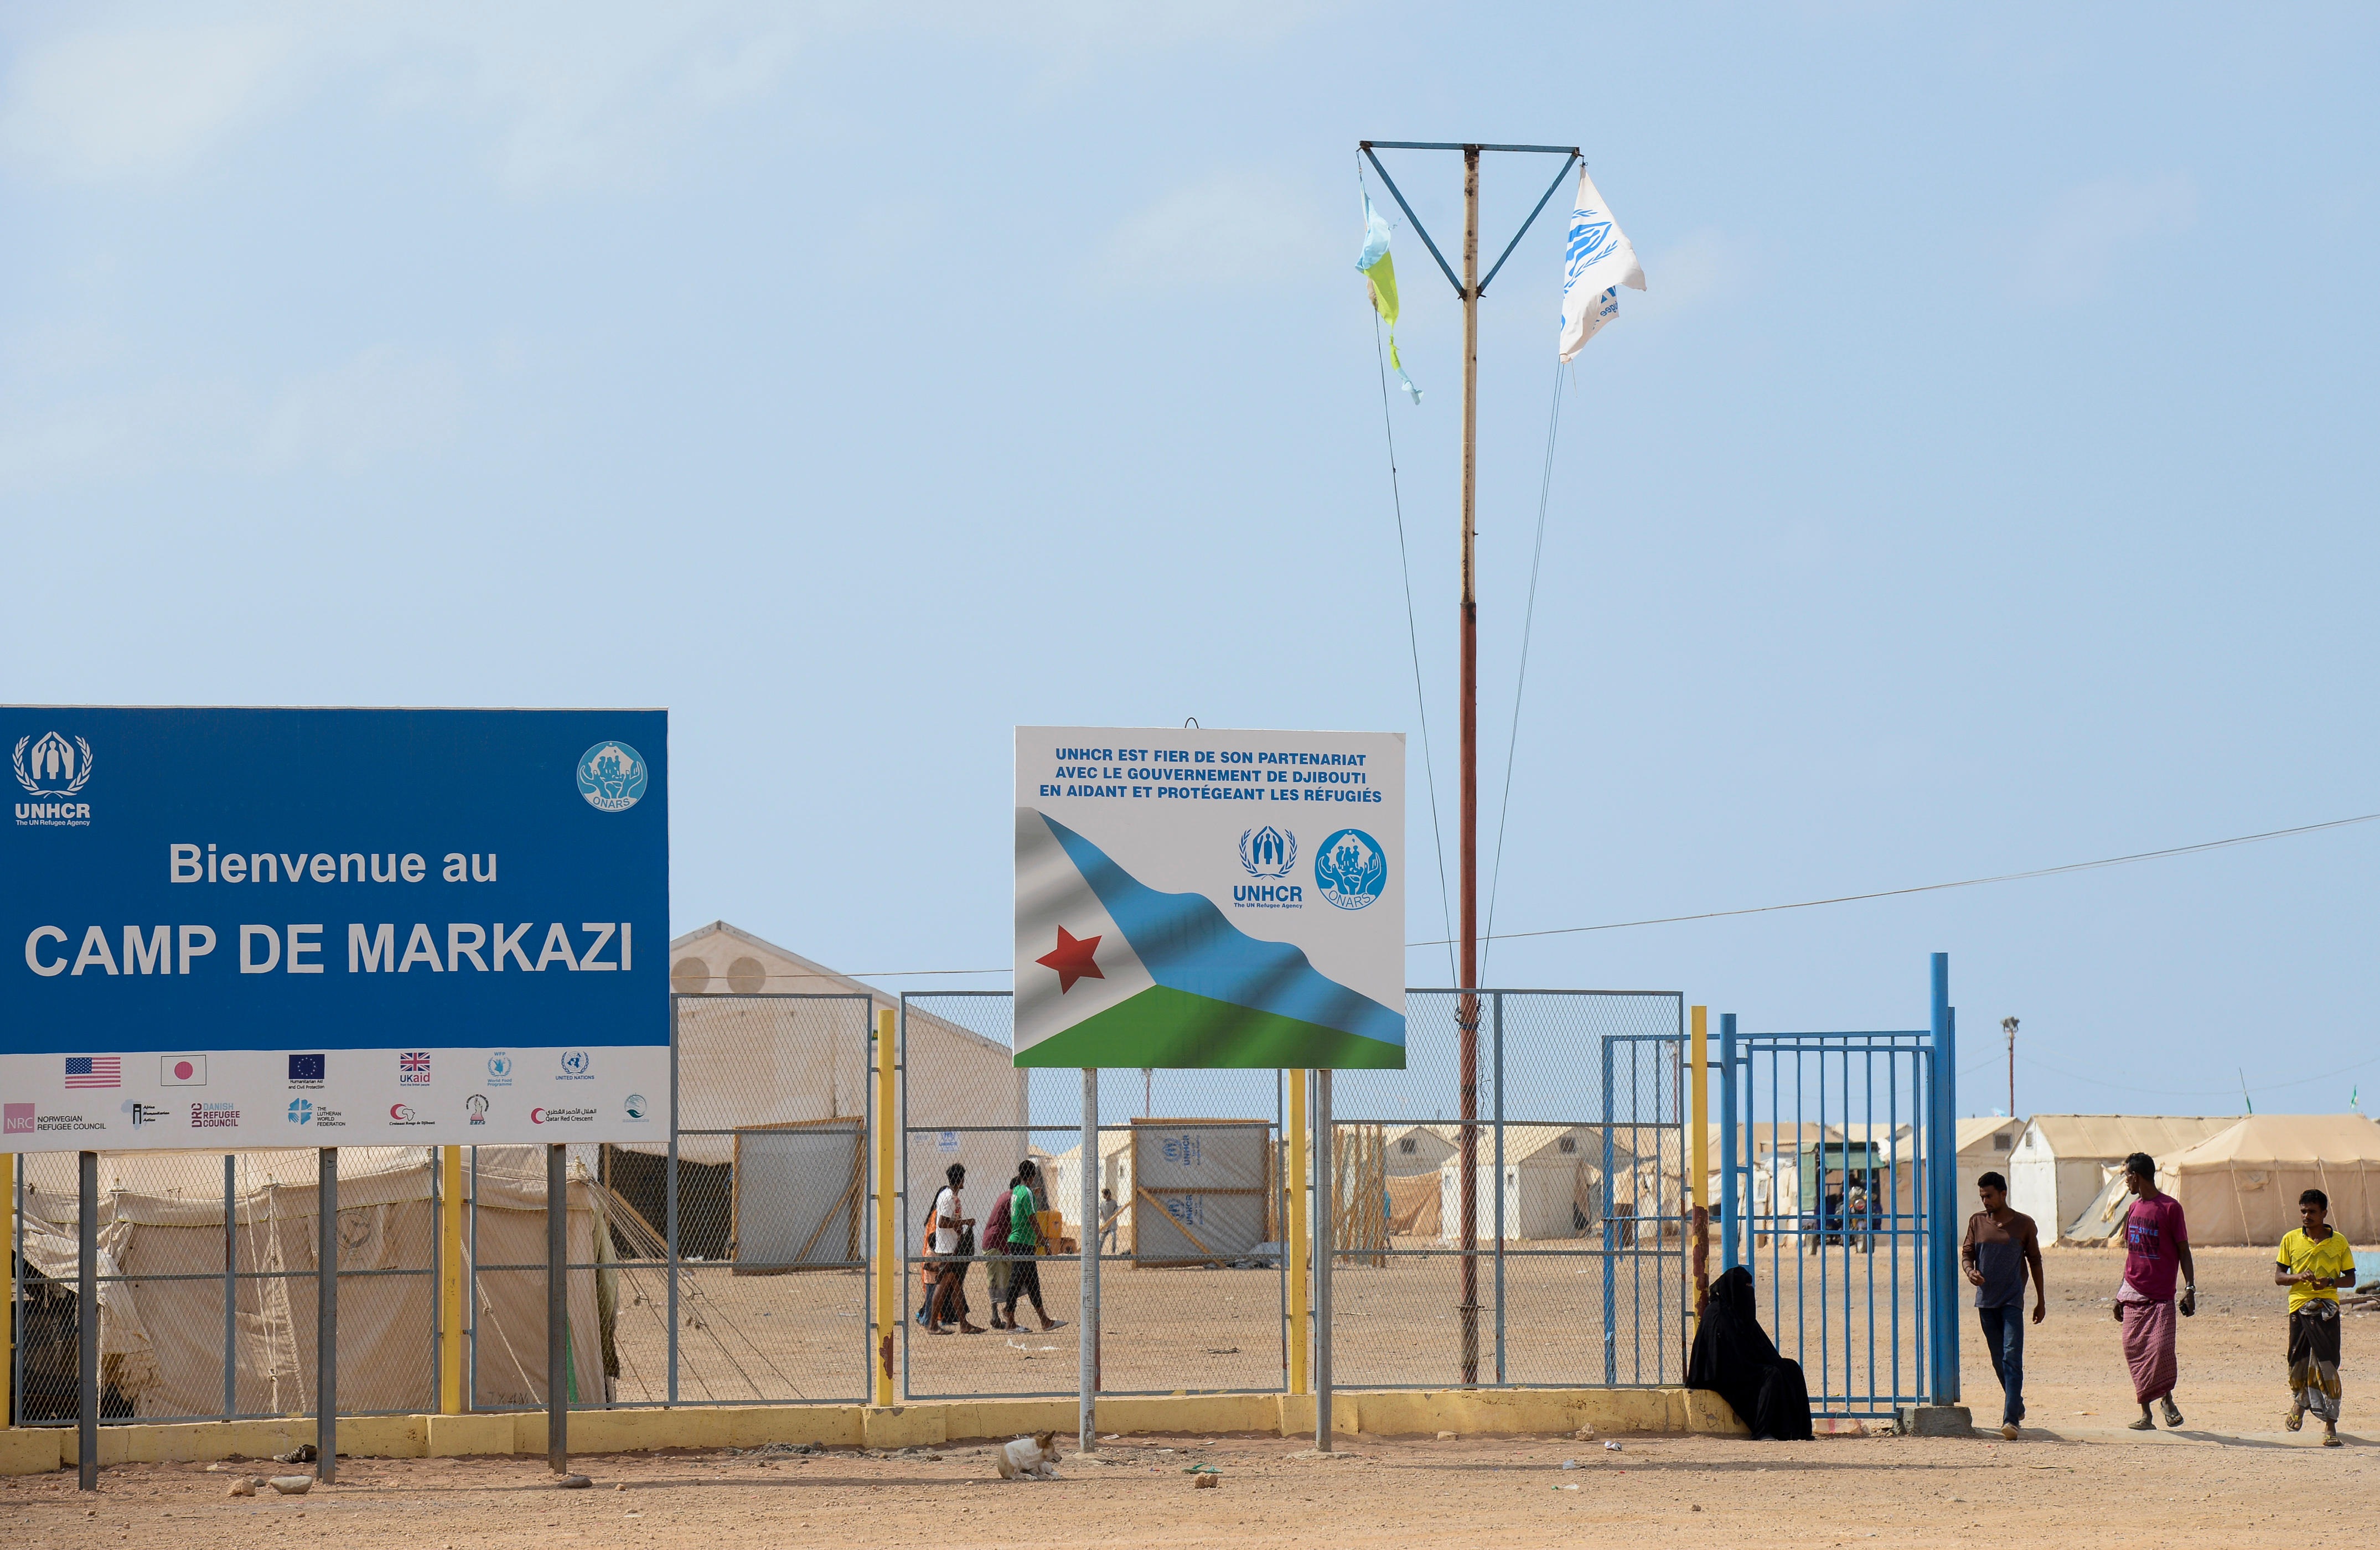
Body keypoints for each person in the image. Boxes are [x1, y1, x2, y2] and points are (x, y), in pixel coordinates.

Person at [2112, 1151, 2194, 1429]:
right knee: (2134, 1349)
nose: (2126, 1182)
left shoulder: (2171, 1208)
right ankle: (2146, 1414)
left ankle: (2167, 1399)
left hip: (2161, 1295)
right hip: (2133, 1292)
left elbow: (2184, 1250)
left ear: (2136, 1176)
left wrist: (2190, 1288)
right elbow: (2131, 1255)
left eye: (2126, 1177)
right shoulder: (2133, 1209)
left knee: (2160, 1350)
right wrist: (2120, 1293)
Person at [1962, 1171, 2046, 1440]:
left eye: (1989, 1196)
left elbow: (2035, 1261)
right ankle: (2017, 1403)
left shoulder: (2024, 1224)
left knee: (2012, 1357)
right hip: (1986, 1302)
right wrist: (1970, 1271)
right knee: (1999, 1359)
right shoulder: (1977, 1222)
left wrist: (2040, 1300)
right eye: (1982, 1197)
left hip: (2012, 1301)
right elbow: (1967, 1254)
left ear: (2003, 1193)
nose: (1985, 1201)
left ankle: (2011, 1420)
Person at [1686, 1265, 1813, 1440]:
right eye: (1745, 1287)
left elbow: (1759, 1347)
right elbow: (1722, 1356)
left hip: (1745, 1366)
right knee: (1771, 1374)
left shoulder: (1738, 1312)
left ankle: (1799, 1432)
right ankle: (1762, 1431)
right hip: (1720, 1374)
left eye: (1750, 1287)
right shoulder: (1718, 1315)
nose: (1749, 1292)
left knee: (1791, 1368)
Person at [2276, 1186, 2354, 1447]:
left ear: (2324, 1213)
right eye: (2303, 1212)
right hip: (2299, 1308)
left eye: (2312, 1212)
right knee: (2297, 1364)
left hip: (2327, 1310)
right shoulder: (2290, 1240)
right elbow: (2279, 1277)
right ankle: (2300, 1401)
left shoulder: (2339, 1242)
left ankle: (2330, 1425)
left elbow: (2351, 1279)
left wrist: (2330, 1281)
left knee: (2327, 1365)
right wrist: (2298, 1277)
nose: (2306, 1216)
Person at [1000, 1159, 1065, 1334]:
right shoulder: (1027, 1194)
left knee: (1031, 1281)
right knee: (1018, 1278)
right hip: (1023, 1242)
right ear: (1034, 1175)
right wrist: (1044, 1242)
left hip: (1020, 1241)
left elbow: (1023, 1207)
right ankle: (1010, 1317)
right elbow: (1033, 1220)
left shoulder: (1017, 1191)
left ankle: (1044, 1320)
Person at [928, 1162, 984, 1335]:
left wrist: (961, 1225)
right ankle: (932, 1325)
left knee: (955, 1286)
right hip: (947, 1249)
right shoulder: (948, 1198)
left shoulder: (950, 1196)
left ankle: (964, 1324)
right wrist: (965, 1222)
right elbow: (943, 1222)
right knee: (944, 1285)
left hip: (952, 1247)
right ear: (960, 1179)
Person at [981, 1171, 1019, 1330]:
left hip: (1000, 1244)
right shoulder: (1012, 1199)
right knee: (996, 1279)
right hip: (996, 1244)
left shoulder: (1007, 1197)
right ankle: (997, 1315)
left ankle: (1004, 1314)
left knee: (1009, 1278)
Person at [1099, 1186, 1121, 1254]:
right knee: (1102, 1239)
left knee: (1114, 1237)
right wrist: (1101, 1214)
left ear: (1109, 1195)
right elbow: (1101, 1211)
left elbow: (1117, 1210)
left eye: (1105, 1195)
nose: (1104, 1196)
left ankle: (1113, 1251)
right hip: (1105, 1224)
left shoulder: (1114, 1203)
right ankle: (1099, 1250)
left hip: (1112, 1224)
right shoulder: (1102, 1204)